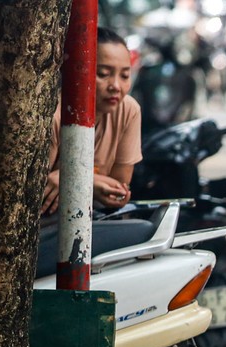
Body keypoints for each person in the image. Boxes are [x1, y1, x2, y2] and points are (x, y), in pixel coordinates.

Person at [42, 28, 142, 216]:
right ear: (76, 71)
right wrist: (94, 182)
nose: (116, 86)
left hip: (93, 215)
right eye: (103, 74)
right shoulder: (53, 115)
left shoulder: (129, 110)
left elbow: (118, 190)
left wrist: (71, 178)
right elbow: (39, 190)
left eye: (125, 76)